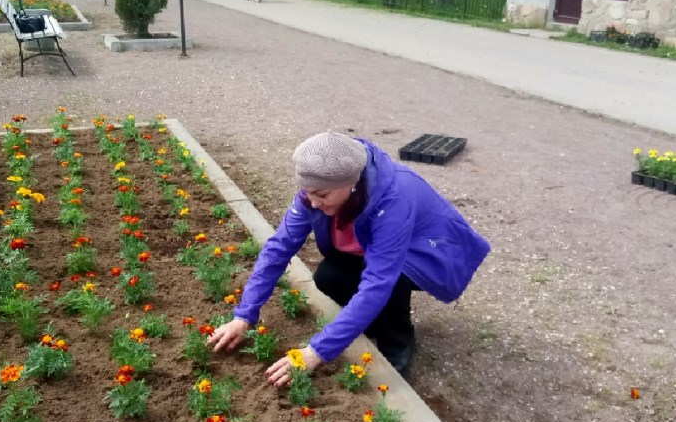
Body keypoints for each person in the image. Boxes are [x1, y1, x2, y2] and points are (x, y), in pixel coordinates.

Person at [209, 131, 490, 386]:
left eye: (321, 195)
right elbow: (278, 248)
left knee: (390, 284)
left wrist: (316, 352)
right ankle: (366, 324)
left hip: (426, 252)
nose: (313, 203)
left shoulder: (394, 200)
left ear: (352, 184)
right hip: (370, 247)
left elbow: (378, 281)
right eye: (307, 193)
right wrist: (243, 316)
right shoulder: (314, 194)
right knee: (329, 277)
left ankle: (398, 345)